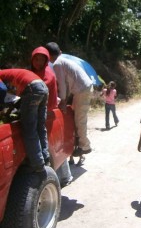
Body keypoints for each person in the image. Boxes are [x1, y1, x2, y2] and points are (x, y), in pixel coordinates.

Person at [31, 46, 73, 186]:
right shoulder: (36, 72)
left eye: (41, 59)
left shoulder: (47, 74)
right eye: (36, 59)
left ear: (46, 60)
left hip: (49, 112)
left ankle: (64, 176)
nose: (38, 62)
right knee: (53, 145)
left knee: (53, 145)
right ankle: (64, 176)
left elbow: (39, 89)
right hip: (44, 111)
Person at [45, 42, 93, 157]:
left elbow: (62, 84)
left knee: (79, 119)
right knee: (75, 115)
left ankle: (85, 146)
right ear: (59, 51)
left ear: (48, 56)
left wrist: (62, 100)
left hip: (82, 90)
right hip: (82, 89)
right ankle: (78, 141)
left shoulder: (57, 64)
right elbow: (65, 83)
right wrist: (64, 99)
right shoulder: (63, 59)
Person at [0, 68, 49, 172]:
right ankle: (45, 157)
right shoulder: (10, 73)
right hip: (42, 87)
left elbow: (2, 90)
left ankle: (37, 164)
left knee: (29, 128)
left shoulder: (1, 74)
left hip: (31, 89)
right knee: (40, 126)